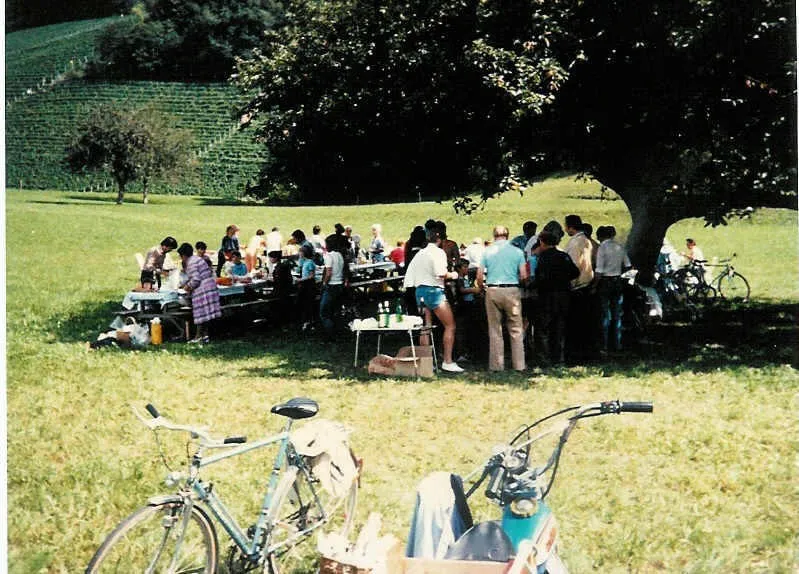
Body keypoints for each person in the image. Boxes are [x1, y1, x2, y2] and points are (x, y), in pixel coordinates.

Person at [404, 227, 464, 373]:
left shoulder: (420, 253)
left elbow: (410, 275)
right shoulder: (438, 252)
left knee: (426, 327)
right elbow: (441, 273)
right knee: (450, 325)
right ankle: (447, 361)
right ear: (440, 240)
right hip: (434, 291)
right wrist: (454, 275)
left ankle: (426, 363)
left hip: (419, 291)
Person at [477, 225, 529, 371]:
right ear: (508, 235)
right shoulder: (517, 252)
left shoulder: (487, 251)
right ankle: (519, 364)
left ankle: (496, 365)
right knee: (516, 328)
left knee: (495, 328)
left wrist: (482, 287)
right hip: (512, 289)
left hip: (493, 289)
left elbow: (479, 275)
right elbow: (524, 275)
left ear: (494, 236)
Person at [532, 231, 579, 364]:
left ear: (542, 242)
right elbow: (575, 272)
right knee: (560, 327)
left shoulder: (543, 258)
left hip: (547, 296)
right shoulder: (563, 256)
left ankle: (545, 357)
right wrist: (563, 279)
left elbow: (540, 277)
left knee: (544, 327)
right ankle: (559, 357)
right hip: (563, 295)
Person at [594, 226, 632, 353]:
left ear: (600, 236)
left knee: (605, 314)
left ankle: (604, 344)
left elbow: (599, 270)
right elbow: (628, 265)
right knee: (617, 314)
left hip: (605, 281)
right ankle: (617, 343)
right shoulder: (619, 246)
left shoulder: (602, 247)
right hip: (617, 280)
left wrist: (594, 285)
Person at [564, 214, 596, 362]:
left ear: (570, 227)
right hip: (587, 282)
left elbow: (573, 265)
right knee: (585, 321)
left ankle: (576, 354)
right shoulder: (586, 240)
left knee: (575, 322)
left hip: (577, 286)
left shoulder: (575, 243)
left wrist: (569, 283)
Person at [177, 242, 221, 343]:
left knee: (200, 314)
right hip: (209, 286)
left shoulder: (191, 263)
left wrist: (187, 287)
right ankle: (205, 335)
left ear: (183, 255)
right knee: (206, 314)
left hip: (203, 289)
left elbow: (196, 279)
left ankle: (198, 336)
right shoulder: (197, 259)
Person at [455, 258, 482, 363]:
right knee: (462, 329)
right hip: (463, 306)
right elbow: (461, 290)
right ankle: (461, 352)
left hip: (469, 305)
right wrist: (474, 290)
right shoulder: (458, 279)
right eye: (465, 267)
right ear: (459, 268)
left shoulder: (466, 279)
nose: (467, 269)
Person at [320, 234, 347, 335]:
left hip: (331, 285)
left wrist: (324, 283)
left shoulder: (329, 256)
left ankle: (329, 333)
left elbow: (328, 273)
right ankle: (338, 330)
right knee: (336, 309)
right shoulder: (339, 255)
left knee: (324, 311)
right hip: (339, 284)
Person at [296, 243, 318, 331]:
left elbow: (311, 275)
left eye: (300, 252)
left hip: (308, 285)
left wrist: (301, 280)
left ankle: (310, 321)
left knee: (308, 303)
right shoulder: (304, 262)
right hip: (304, 284)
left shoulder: (310, 263)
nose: (299, 254)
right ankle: (305, 321)